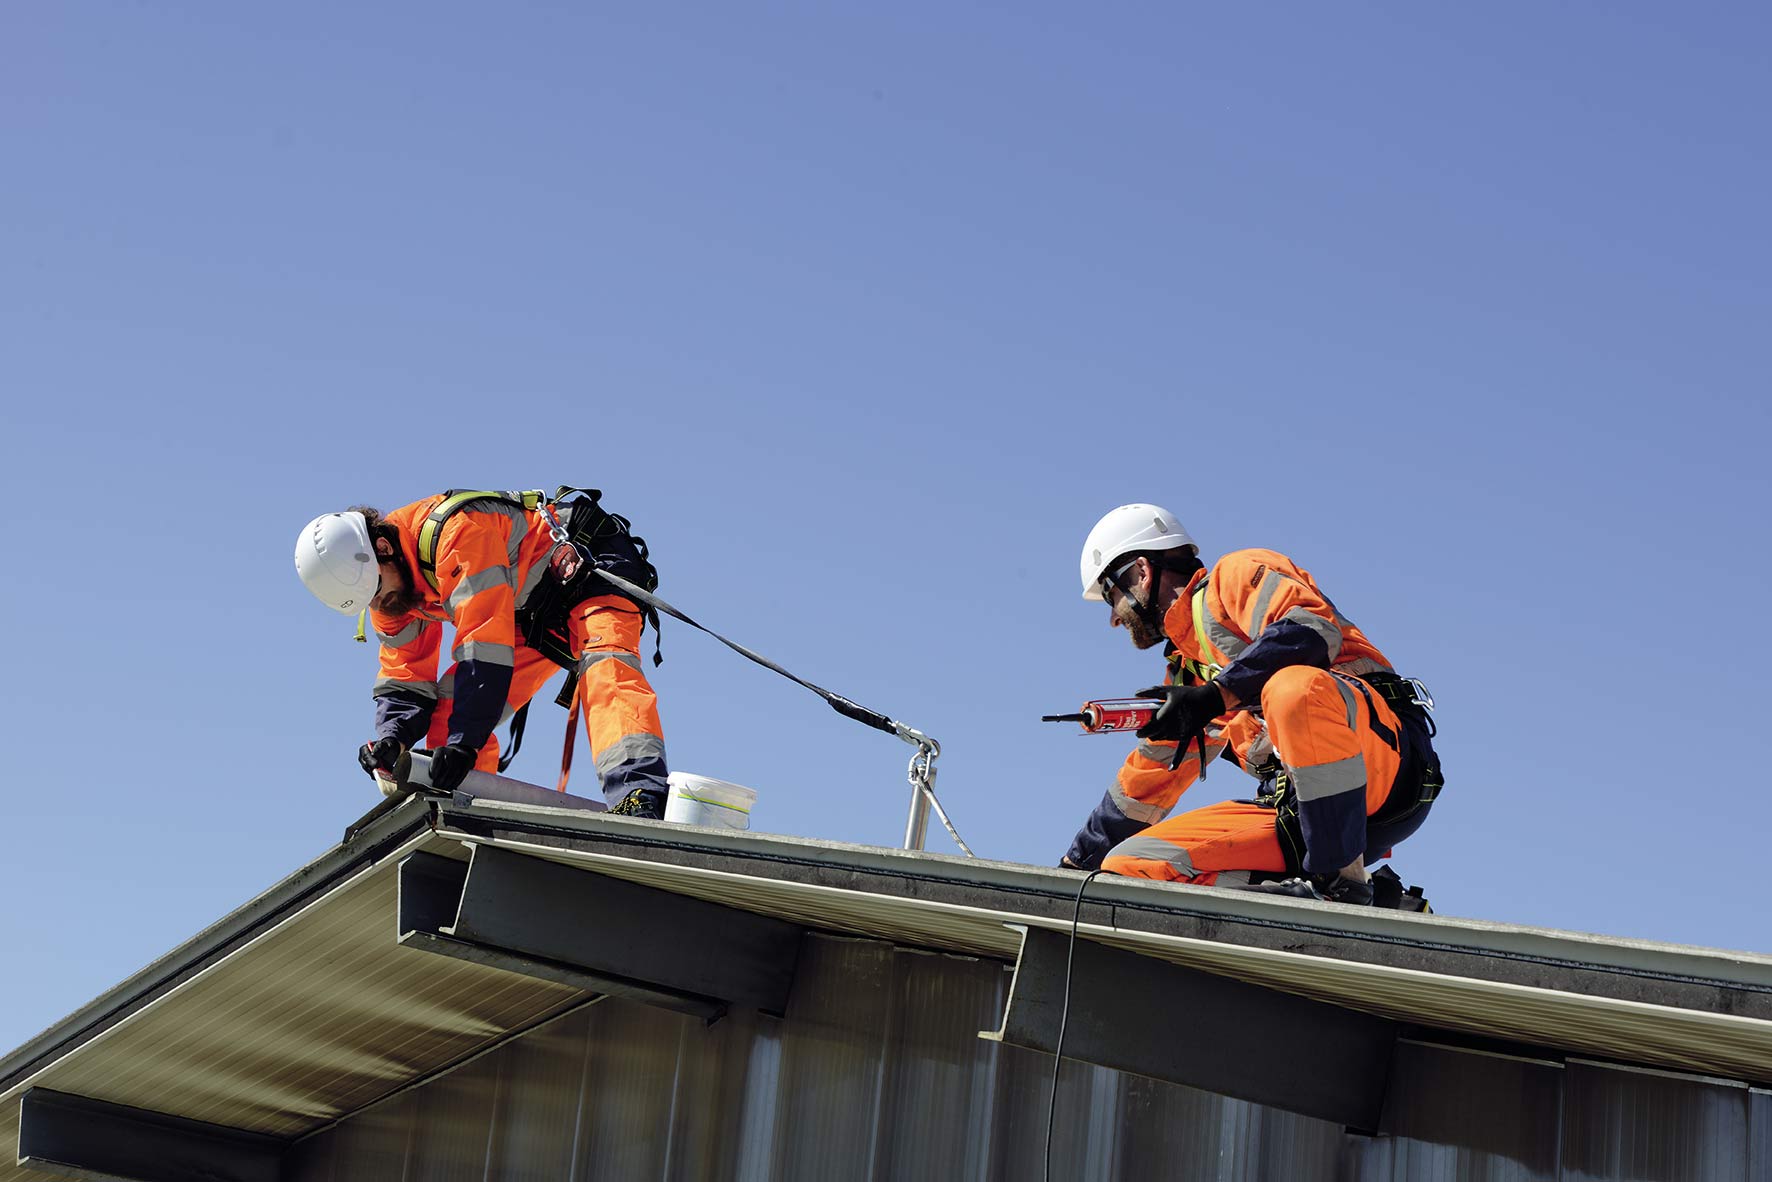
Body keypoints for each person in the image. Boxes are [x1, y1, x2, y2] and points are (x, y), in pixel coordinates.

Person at [1061, 504, 1442, 905]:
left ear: (1141, 571)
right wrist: (1073, 866)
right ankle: (1359, 900)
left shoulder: (1235, 575)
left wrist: (1215, 695)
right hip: (1299, 812)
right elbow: (1144, 784)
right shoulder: (1188, 677)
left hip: (1386, 765)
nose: (1114, 618)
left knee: (1292, 689)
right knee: (1130, 868)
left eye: (1111, 595)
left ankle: (1343, 885)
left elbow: (1311, 631)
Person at [294, 488, 670, 816]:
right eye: (369, 600)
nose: (380, 604)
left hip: (588, 570)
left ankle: (638, 795)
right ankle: (463, 808)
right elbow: (406, 676)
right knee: (449, 711)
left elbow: (483, 645)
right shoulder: (389, 593)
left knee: (605, 668)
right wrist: (394, 738)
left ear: (383, 548)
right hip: (529, 612)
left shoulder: (457, 533)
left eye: (377, 590)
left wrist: (464, 745)